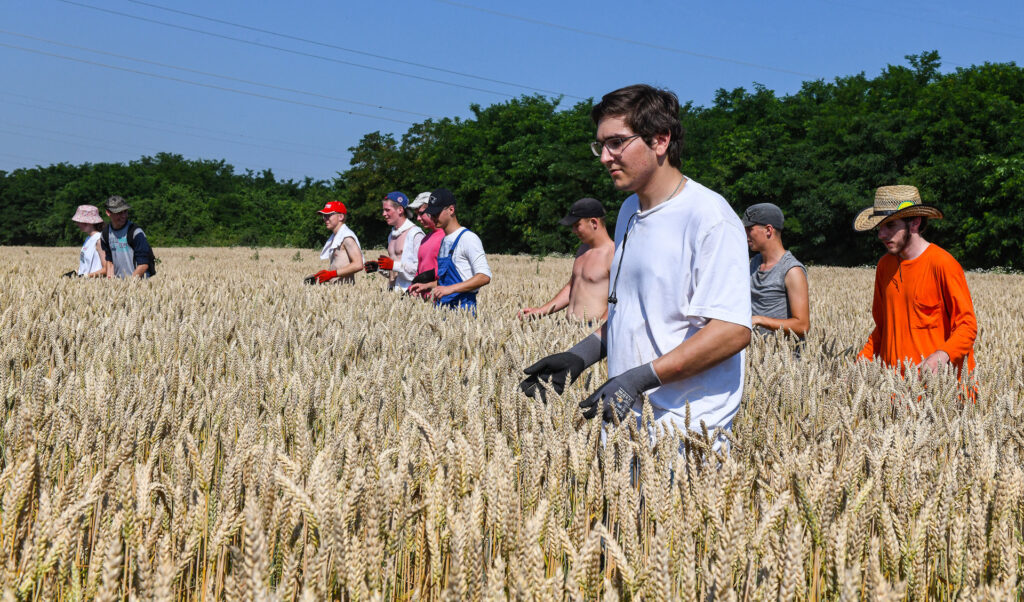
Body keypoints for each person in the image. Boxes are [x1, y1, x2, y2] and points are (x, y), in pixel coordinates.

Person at [520, 84, 751, 446]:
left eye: (616, 143)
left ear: (660, 140)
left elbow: (732, 331)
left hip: (687, 426)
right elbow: (632, 313)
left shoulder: (709, 218)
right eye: (601, 145)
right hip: (625, 412)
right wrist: (579, 356)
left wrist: (639, 378)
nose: (604, 157)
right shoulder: (630, 209)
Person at [853, 185, 977, 377]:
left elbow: (967, 326)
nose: (881, 234)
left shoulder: (942, 264)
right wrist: (859, 366)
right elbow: (883, 328)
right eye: (879, 227)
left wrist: (943, 355)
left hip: (936, 388)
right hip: (893, 388)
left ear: (915, 222)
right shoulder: (884, 266)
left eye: (890, 225)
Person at [518, 197, 614, 322]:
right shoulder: (582, 249)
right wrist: (541, 311)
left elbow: (620, 299)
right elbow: (572, 287)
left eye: (577, 225)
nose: (573, 231)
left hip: (593, 328)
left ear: (594, 222)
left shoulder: (613, 254)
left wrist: (600, 330)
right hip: (570, 328)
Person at [407, 188, 491, 311]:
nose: (433, 217)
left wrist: (449, 289)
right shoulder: (444, 241)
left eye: (436, 213)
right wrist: (427, 286)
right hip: (442, 309)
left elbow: (484, 276)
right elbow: (446, 281)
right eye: (431, 213)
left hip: (463, 311)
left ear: (451, 210)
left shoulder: (468, 238)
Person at [742, 203, 809, 338]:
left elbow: (802, 326)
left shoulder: (792, 270)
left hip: (783, 351)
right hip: (756, 349)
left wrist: (759, 320)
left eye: (749, 229)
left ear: (768, 230)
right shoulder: (754, 263)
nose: (745, 234)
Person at [305, 200, 364, 285]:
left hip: (346, 290)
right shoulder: (336, 238)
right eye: (324, 216)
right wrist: (321, 277)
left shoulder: (347, 238)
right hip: (337, 289)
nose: (324, 218)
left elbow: (358, 264)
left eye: (328, 215)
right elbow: (338, 266)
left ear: (341, 217)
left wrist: (331, 274)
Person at [376, 191, 424, 292]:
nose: (383, 214)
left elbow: (421, 270)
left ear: (400, 210)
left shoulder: (415, 234)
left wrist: (393, 265)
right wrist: (379, 267)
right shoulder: (391, 235)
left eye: (387, 210)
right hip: (393, 293)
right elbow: (395, 272)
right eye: (383, 210)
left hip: (410, 293)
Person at [101, 196, 155, 279]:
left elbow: (143, 264)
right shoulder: (105, 234)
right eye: (119, 213)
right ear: (108, 212)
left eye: (125, 211)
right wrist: (110, 281)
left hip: (139, 283)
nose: (124, 216)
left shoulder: (136, 233)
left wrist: (129, 283)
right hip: (119, 284)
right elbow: (109, 260)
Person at [408, 191, 444, 297]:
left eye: (421, 213)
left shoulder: (447, 237)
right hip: (422, 302)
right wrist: (413, 288)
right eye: (416, 214)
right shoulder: (425, 238)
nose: (418, 218)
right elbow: (419, 271)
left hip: (440, 300)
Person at [66, 205, 106, 278]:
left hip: (94, 283)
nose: (77, 224)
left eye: (79, 221)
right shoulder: (88, 238)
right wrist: (76, 272)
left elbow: (106, 269)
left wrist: (86, 276)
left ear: (88, 222)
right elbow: (87, 265)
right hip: (85, 282)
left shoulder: (99, 240)